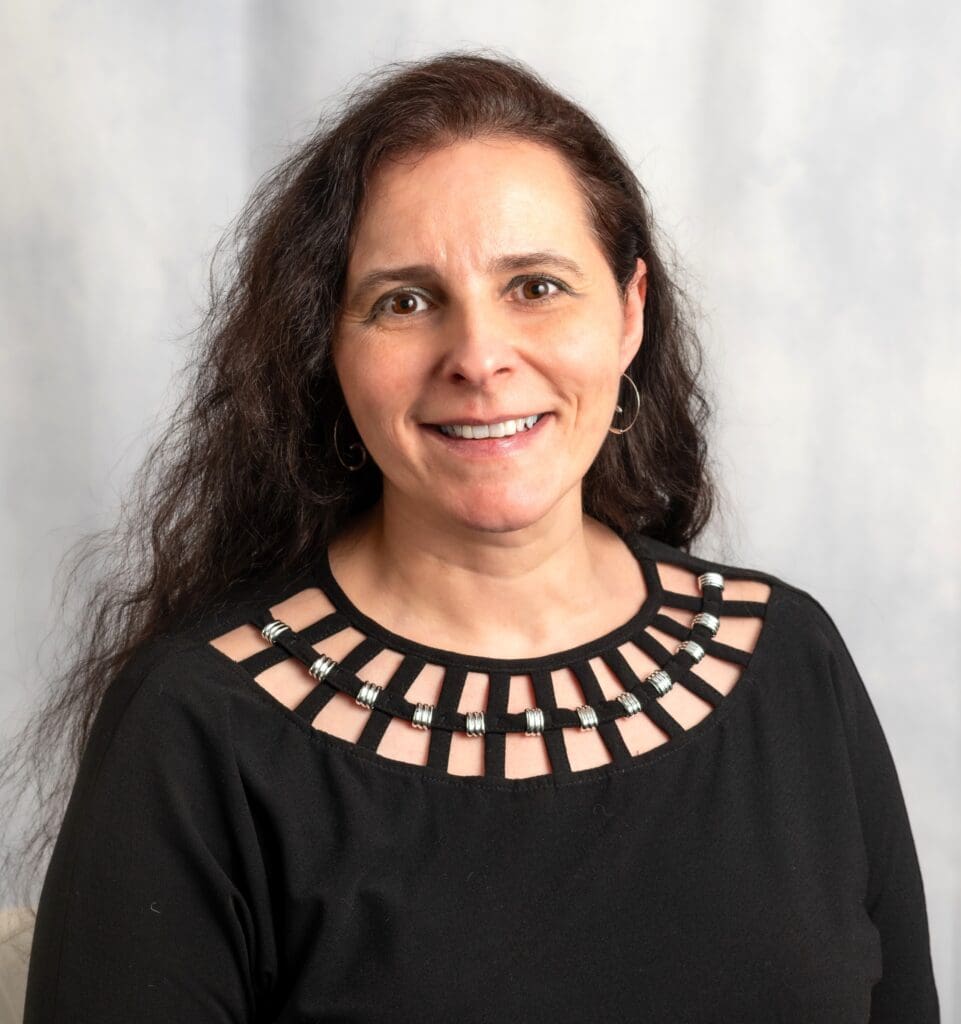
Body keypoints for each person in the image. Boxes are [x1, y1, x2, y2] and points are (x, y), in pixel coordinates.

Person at [18, 51, 939, 1022]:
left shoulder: (790, 662)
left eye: (535, 286)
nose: (479, 357)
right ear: (328, 346)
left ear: (628, 313)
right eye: (405, 301)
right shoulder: (198, 725)